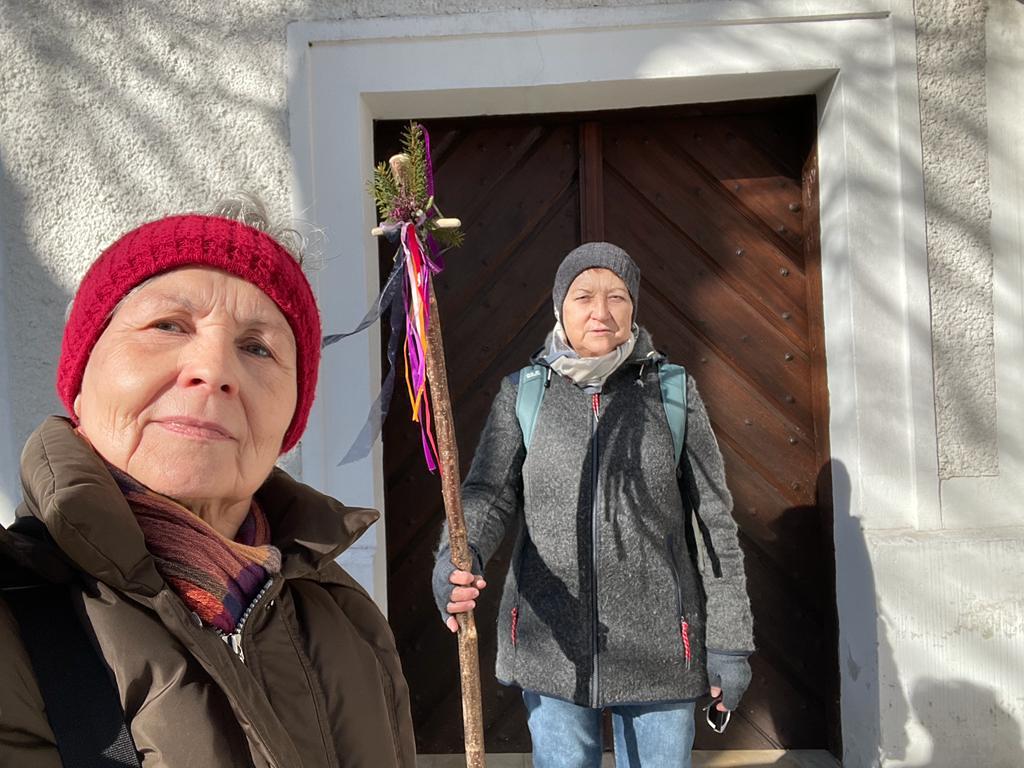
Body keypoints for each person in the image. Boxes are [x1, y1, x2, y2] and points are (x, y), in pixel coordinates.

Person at [0, 198, 415, 767]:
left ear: (290, 419)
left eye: (257, 348)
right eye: (168, 325)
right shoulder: (11, 620)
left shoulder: (348, 620)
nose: (215, 370)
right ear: (81, 374)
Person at [433, 242, 755, 768]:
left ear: (634, 308)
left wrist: (730, 642)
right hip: (552, 642)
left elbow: (713, 523)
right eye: (583, 297)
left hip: (660, 650)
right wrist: (455, 560)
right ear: (560, 307)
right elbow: (488, 495)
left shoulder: (672, 392)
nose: (600, 311)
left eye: (617, 297)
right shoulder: (524, 393)